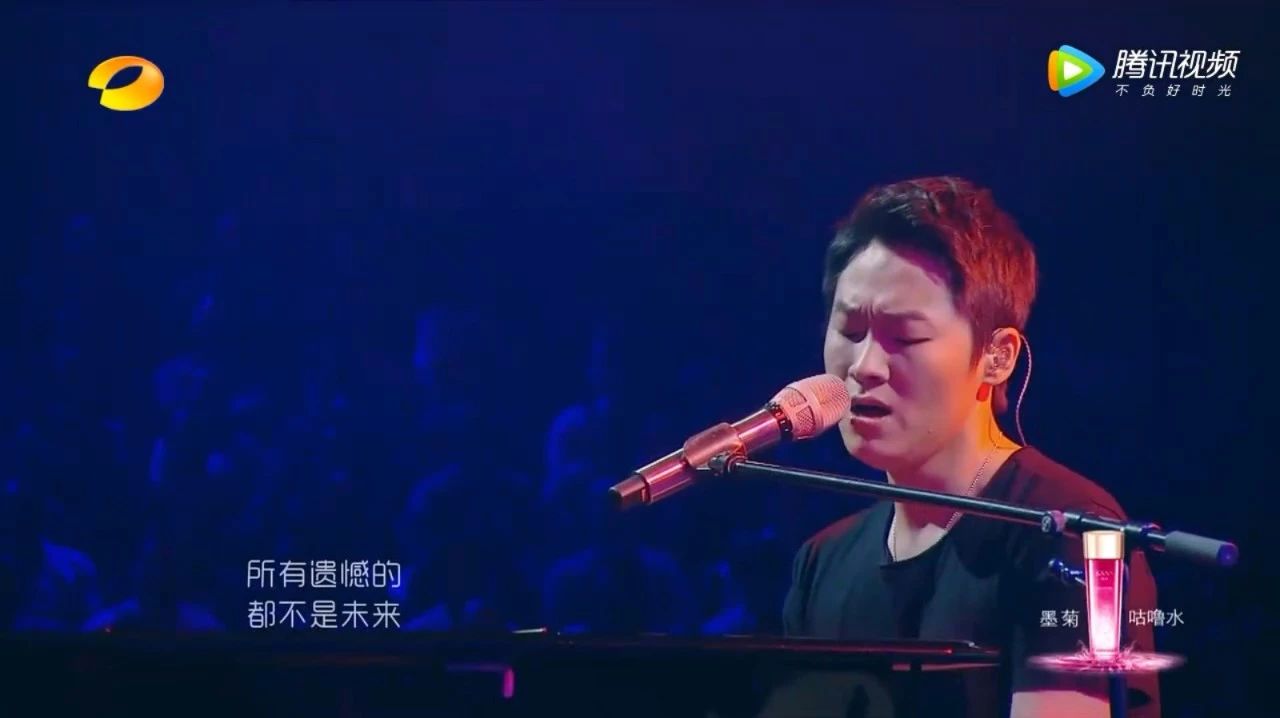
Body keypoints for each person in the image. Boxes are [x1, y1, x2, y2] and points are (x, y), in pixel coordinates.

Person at [781, 177, 1160, 718]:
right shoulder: (823, 563)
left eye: (905, 337)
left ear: (997, 357)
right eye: (850, 329)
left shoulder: (1070, 536)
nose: (864, 366)